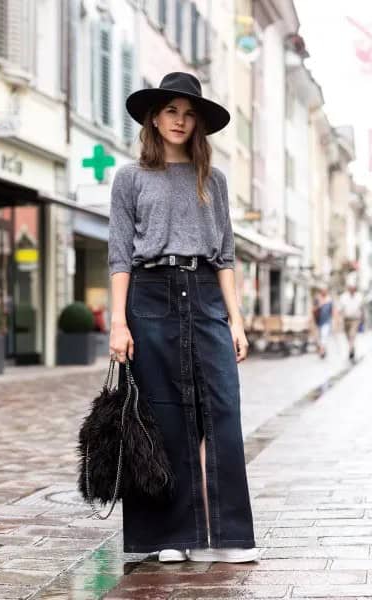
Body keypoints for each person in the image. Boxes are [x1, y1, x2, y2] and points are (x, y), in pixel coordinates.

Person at [108, 72, 257, 564]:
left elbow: (227, 256)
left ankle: (228, 536)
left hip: (207, 294)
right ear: (154, 116)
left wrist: (236, 319)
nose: (180, 120)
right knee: (163, 411)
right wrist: (118, 322)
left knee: (221, 409)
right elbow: (118, 255)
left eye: (189, 113)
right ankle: (168, 536)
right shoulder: (130, 178)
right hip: (150, 295)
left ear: (199, 124)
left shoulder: (211, 179)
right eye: (171, 110)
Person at [338, 277, 364, 362]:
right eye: (350, 288)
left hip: (355, 319)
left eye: (353, 288)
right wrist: (340, 319)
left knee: (352, 335)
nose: (352, 289)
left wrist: (362, 318)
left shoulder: (359, 296)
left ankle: (350, 351)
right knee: (348, 336)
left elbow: (361, 308)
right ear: (348, 288)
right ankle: (352, 348)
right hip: (346, 320)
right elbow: (340, 309)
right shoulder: (343, 297)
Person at [313, 284, 333, 359]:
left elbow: (332, 311)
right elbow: (313, 309)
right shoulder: (317, 299)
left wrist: (334, 321)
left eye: (325, 290)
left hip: (326, 321)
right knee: (318, 338)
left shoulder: (329, 300)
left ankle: (322, 351)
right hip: (317, 321)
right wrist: (319, 305)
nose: (324, 292)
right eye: (323, 290)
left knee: (324, 336)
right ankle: (322, 349)